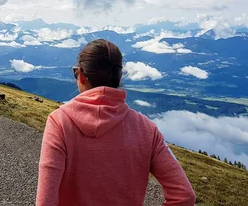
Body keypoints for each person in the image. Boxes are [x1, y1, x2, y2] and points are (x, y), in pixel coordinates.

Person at [36, 39, 196, 206]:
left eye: (75, 72)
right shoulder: (147, 130)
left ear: (82, 75)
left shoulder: (59, 122)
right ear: (119, 77)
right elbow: (184, 196)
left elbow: (45, 202)